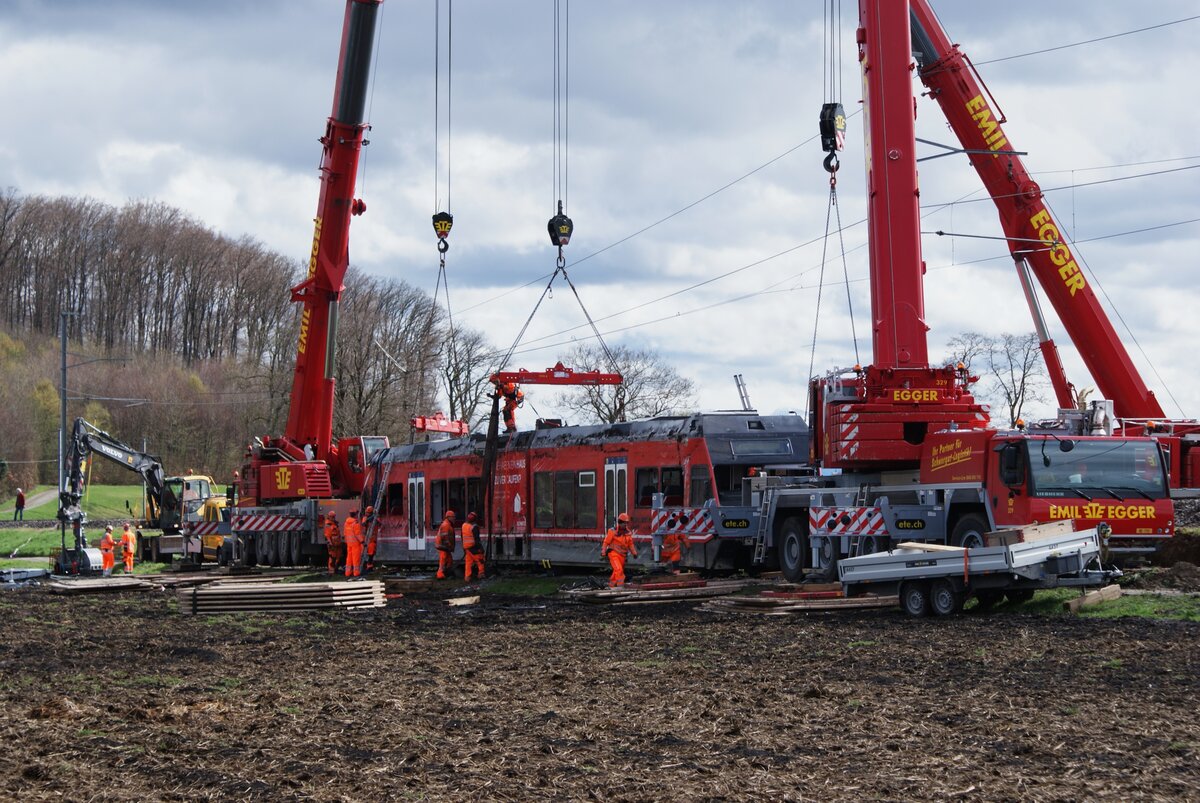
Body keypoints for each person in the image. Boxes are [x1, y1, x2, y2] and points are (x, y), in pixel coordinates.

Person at [601, 512, 638, 588]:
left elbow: (630, 544)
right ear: (619, 523)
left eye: (626, 523)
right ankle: (620, 587)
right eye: (624, 523)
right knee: (619, 570)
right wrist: (603, 552)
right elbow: (606, 542)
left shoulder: (628, 533)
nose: (625, 525)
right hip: (613, 554)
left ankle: (611, 586)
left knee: (616, 572)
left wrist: (634, 553)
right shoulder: (612, 531)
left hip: (622, 556)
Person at [461, 511, 485, 582]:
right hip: (473, 547)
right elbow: (477, 539)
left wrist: (464, 547)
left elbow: (462, 537)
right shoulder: (474, 527)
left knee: (468, 563)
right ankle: (481, 574)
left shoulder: (464, 525)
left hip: (466, 548)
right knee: (480, 560)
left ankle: (467, 577)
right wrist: (480, 548)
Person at [435, 510, 457, 579]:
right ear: (448, 517)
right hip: (443, 547)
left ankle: (447, 574)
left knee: (449, 561)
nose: (454, 518)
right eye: (453, 517)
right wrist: (449, 546)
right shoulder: (446, 525)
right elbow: (445, 538)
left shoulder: (448, 524)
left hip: (445, 548)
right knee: (443, 562)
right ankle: (440, 575)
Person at [343, 510, 364, 580]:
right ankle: (356, 573)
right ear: (355, 515)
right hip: (355, 543)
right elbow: (357, 534)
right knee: (356, 559)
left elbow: (345, 533)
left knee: (349, 559)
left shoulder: (346, 523)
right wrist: (362, 541)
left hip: (349, 543)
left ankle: (347, 573)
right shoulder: (355, 523)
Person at [363, 506, 378, 572]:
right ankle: (368, 567)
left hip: (373, 538)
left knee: (372, 554)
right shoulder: (365, 518)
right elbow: (364, 523)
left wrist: (374, 517)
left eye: (368, 513)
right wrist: (371, 518)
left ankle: (370, 567)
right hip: (368, 539)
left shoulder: (375, 518)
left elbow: (379, 523)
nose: (367, 514)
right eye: (366, 512)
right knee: (370, 554)